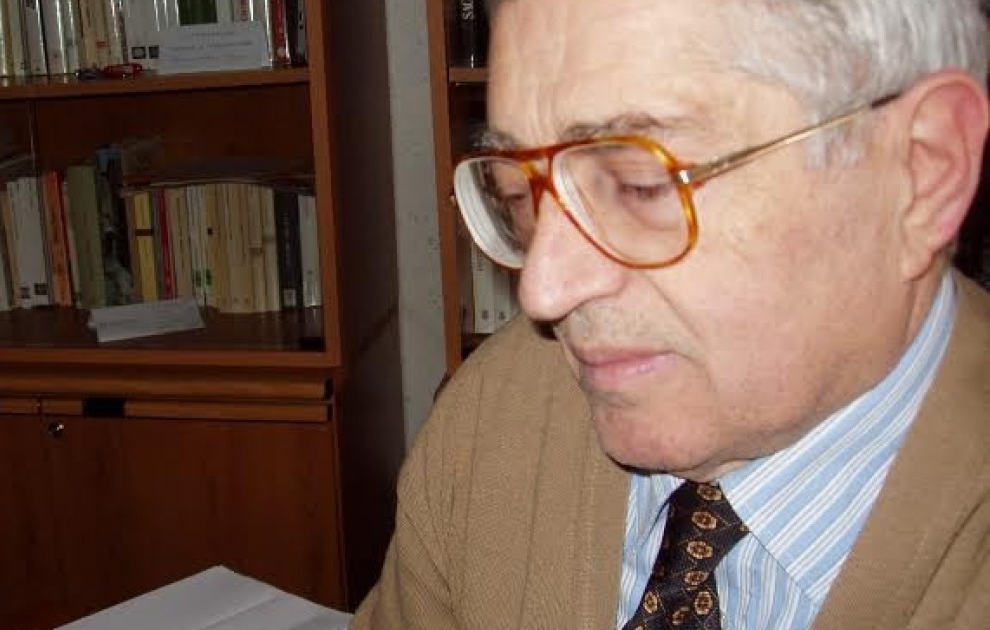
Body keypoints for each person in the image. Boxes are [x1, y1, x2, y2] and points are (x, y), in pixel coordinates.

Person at [351, 0, 990, 628]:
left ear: (922, 171)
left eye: (640, 184)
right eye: (520, 194)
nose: (543, 292)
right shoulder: (490, 421)